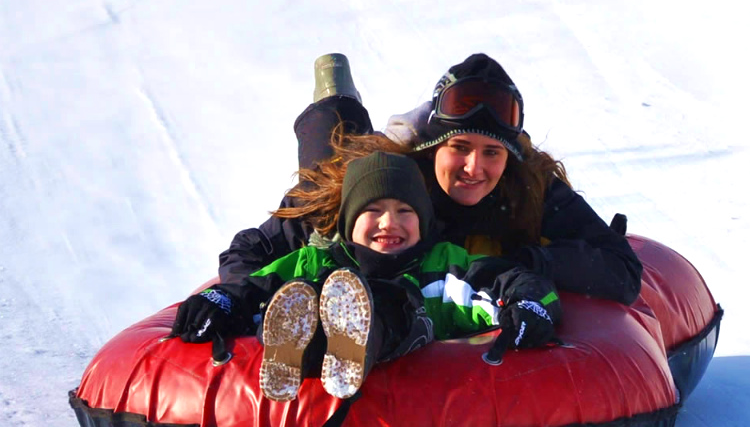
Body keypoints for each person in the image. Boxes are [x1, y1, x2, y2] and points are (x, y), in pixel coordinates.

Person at [211, 52, 642, 315]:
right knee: (327, 153)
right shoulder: (385, 178)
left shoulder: (526, 184)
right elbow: (252, 248)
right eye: (459, 146)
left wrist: (523, 262)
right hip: (373, 157)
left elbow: (621, 271)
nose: (475, 167)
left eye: (492, 152)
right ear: (434, 146)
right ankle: (335, 94)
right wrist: (247, 297)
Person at [174, 151, 562, 403]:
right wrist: (219, 302)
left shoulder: (443, 266)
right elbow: (252, 289)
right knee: (301, 292)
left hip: (395, 328)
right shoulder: (313, 261)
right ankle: (298, 349)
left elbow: (509, 281)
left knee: (396, 304)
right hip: (311, 337)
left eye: (404, 211)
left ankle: (355, 338)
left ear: (424, 221)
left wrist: (528, 305)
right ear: (349, 221)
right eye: (373, 210)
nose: (389, 223)